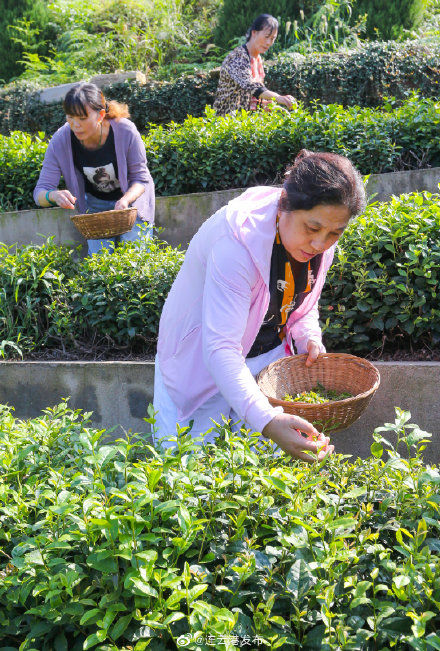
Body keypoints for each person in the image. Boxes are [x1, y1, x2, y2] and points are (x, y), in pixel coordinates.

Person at [154, 150, 366, 461]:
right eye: (312, 228)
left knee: (260, 478)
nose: (321, 244)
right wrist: (267, 420)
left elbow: (303, 306)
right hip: (200, 367)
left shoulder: (321, 242)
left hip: (264, 361)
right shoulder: (235, 243)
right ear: (285, 205)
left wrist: (308, 336)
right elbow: (221, 348)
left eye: (335, 233)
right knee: (187, 471)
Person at [33, 82, 155, 255]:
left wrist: (125, 201)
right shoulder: (60, 140)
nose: (75, 125)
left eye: (82, 118)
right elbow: (39, 193)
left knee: (136, 255)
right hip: (96, 207)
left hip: (132, 204)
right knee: (100, 263)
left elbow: (141, 179)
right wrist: (53, 195)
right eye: (70, 117)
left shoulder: (125, 130)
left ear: (100, 115)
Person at [213, 14, 295, 116]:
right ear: (254, 33)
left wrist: (272, 107)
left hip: (247, 121)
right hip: (227, 122)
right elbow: (251, 86)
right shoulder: (237, 57)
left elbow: (257, 96)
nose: (269, 42)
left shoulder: (258, 59)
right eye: (266, 37)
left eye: (272, 38)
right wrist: (278, 98)